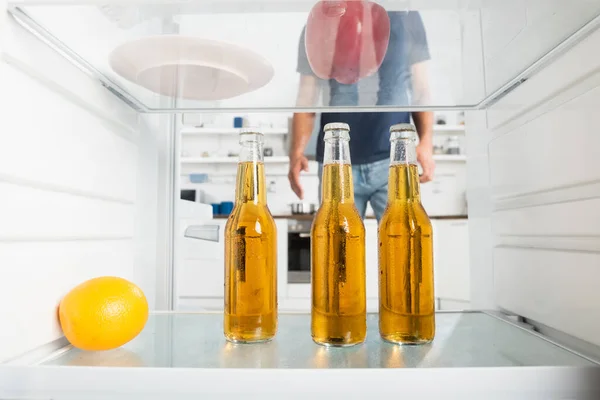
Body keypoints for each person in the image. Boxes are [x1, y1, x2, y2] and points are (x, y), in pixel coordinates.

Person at [288, 10, 435, 222]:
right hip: (336, 163)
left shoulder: (406, 15)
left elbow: (421, 89)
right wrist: (296, 153)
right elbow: (306, 97)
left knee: (402, 246)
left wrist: (426, 143)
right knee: (338, 251)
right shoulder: (320, 20)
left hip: (394, 159)